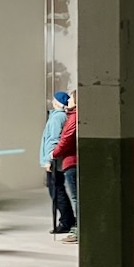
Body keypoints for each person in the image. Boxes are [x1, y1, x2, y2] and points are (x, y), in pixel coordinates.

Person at [40, 91, 75, 235]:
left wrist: (49, 160)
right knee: (57, 189)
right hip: (56, 159)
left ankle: (66, 220)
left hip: (54, 160)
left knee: (56, 190)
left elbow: (53, 140)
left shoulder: (57, 117)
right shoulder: (59, 116)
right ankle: (68, 218)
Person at [51, 91, 79, 244]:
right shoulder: (71, 116)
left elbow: (65, 139)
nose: (69, 101)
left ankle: (79, 229)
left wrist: (53, 154)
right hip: (71, 161)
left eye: (71, 99)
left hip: (71, 162)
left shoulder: (73, 118)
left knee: (76, 198)